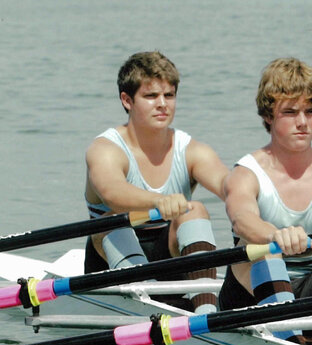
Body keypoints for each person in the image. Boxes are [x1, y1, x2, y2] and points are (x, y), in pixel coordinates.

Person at [220, 58, 312, 345]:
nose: (302, 122)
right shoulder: (247, 173)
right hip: (246, 294)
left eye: (310, 111)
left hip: (308, 291)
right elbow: (241, 217)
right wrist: (274, 235)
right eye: (290, 112)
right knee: (262, 251)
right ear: (268, 115)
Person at [84, 51, 228, 314]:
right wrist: (159, 201)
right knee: (113, 218)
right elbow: (113, 192)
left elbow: (230, 187)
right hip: (108, 258)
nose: (163, 104)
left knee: (194, 209)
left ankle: (207, 316)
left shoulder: (192, 150)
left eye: (169, 95)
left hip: (166, 256)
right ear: (127, 100)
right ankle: (150, 304)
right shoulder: (105, 149)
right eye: (151, 96)